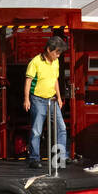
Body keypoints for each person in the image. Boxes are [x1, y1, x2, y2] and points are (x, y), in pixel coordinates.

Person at [24, 36, 67, 169]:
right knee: (37, 130)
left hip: (52, 99)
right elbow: (28, 81)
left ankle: (60, 158)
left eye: (60, 53)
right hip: (37, 99)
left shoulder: (55, 62)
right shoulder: (35, 62)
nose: (58, 56)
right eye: (57, 52)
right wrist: (26, 99)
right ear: (49, 50)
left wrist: (59, 97)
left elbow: (55, 80)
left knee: (62, 128)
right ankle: (34, 158)